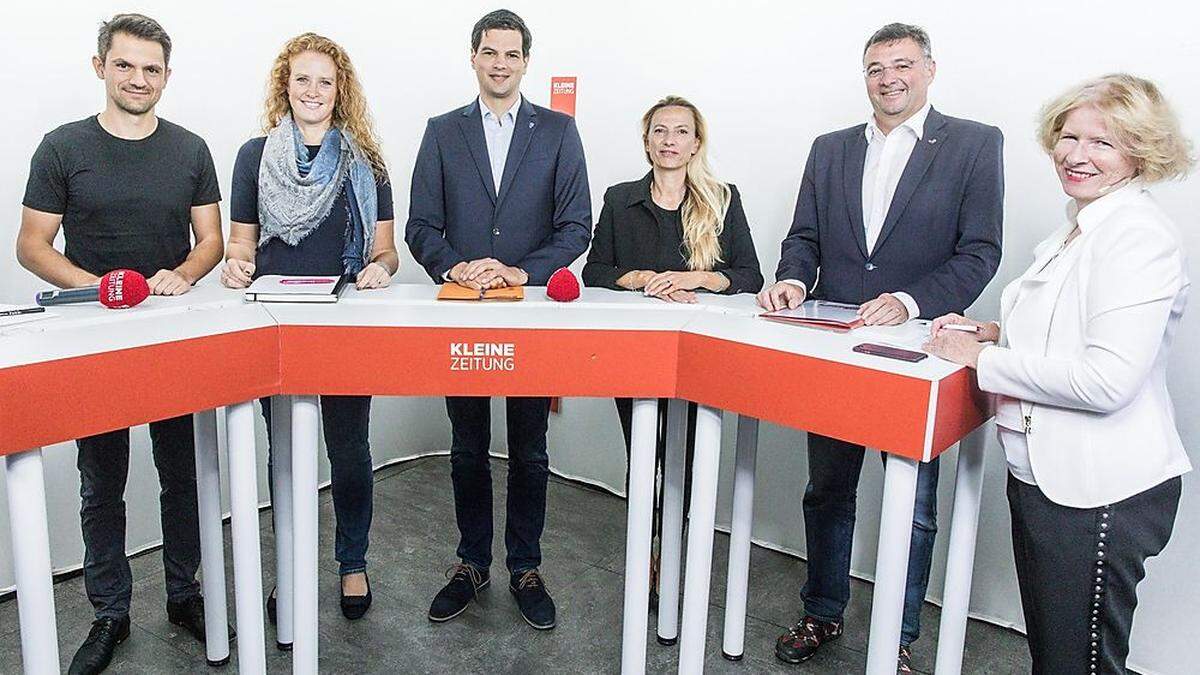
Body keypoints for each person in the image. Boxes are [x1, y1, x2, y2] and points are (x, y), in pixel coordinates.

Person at [924, 73, 1193, 674]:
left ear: (1141, 152)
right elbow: (1070, 331)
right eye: (1068, 137)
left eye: (1102, 142)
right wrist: (995, 332)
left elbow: (1107, 381)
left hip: (1100, 491)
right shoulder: (1080, 225)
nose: (1075, 154)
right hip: (1048, 480)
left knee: (1081, 665)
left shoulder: (1137, 237)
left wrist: (981, 361)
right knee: (1058, 659)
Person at [756, 23, 1004, 671]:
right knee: (827, 491)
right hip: (836, 350)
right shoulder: (829, 148)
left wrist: (911, 301)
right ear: (863, 76)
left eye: (902, 64)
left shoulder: (976, 145)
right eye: (875, 67)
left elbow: (980, 251)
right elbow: (803, 236)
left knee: (915, 507)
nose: (888, 76)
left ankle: (897, 638)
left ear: (929, 69)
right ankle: (822, 612)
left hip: (917, 354)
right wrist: (789, 277)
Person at [15, 13, 225, 675]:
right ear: (101, 65)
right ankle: (110, 611)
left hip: (169, 333)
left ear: (166, 75)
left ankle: (185, 593)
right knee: (100, 479)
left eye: (151, 68)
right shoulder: (61, 146)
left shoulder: (190, 149)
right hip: (92, 336)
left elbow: (212, 239)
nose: (138, 79)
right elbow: (30, 244)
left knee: (181, 473)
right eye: (125, 65)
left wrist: (185, 273)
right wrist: (94, 287)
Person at [406, 9, 590, 631]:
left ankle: (525, 567)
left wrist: (518, 271)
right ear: (474, 57)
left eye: (512, 53)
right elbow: (420, 226)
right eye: (490, 52)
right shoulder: (441, 131)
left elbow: (576, 227)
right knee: (466, 447)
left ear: (526, 61)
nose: (501, 63)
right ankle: (470, 564)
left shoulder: (559, 132)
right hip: (461, 315)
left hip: (531, 314)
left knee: (532, 450)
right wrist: (458, 268)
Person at [219, 32, 397, 624]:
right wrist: (237, 264)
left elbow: (386, 251)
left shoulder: (365, 160)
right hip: (278, 324)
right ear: (285, 86)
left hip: (342, 325)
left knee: (348, 451)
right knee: (285, 456)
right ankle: (289, 568)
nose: (313, 91)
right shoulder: (253, 155)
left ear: (339, 88)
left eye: (325, 80)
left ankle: (353, 563)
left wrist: (379, 269)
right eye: (302, 79)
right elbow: (241, 243)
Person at [583, 94, 763, 603]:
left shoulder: (723, 198)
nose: (669, 141)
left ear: (696, 142)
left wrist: (693, 278)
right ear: (646, 141)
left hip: (699, 352)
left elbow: (750, 276)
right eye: (660, 131)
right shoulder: (620, 199)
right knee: (643, 455)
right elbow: (594, 272)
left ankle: (675, 549)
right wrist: (641, 279)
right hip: (635, 352)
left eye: (681, 131)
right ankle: (647, 552)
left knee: (683, 459)